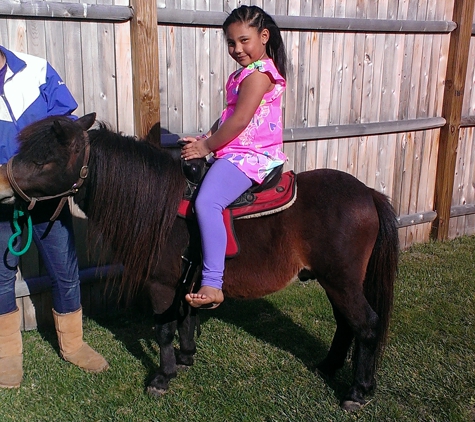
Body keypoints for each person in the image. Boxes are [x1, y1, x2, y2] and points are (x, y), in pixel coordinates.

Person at [0, 46, 108, 389]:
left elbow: (65, 128)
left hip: (47, 197)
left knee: (66, 272)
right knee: (1, 280)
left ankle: (73, 345)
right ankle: (7, 355)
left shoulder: (36, 69)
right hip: (1, 196)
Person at [182, 5, 288, 309]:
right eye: (231, 43)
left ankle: (213, 282)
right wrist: (205, 137)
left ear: (264, 36)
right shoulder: (245, 73)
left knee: (207, 202)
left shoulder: (260, 75)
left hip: (251, 156)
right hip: (237, 150)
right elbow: (228, 117)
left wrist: (206, 148)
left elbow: (240, 121)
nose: (237, 49)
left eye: (244, 40)